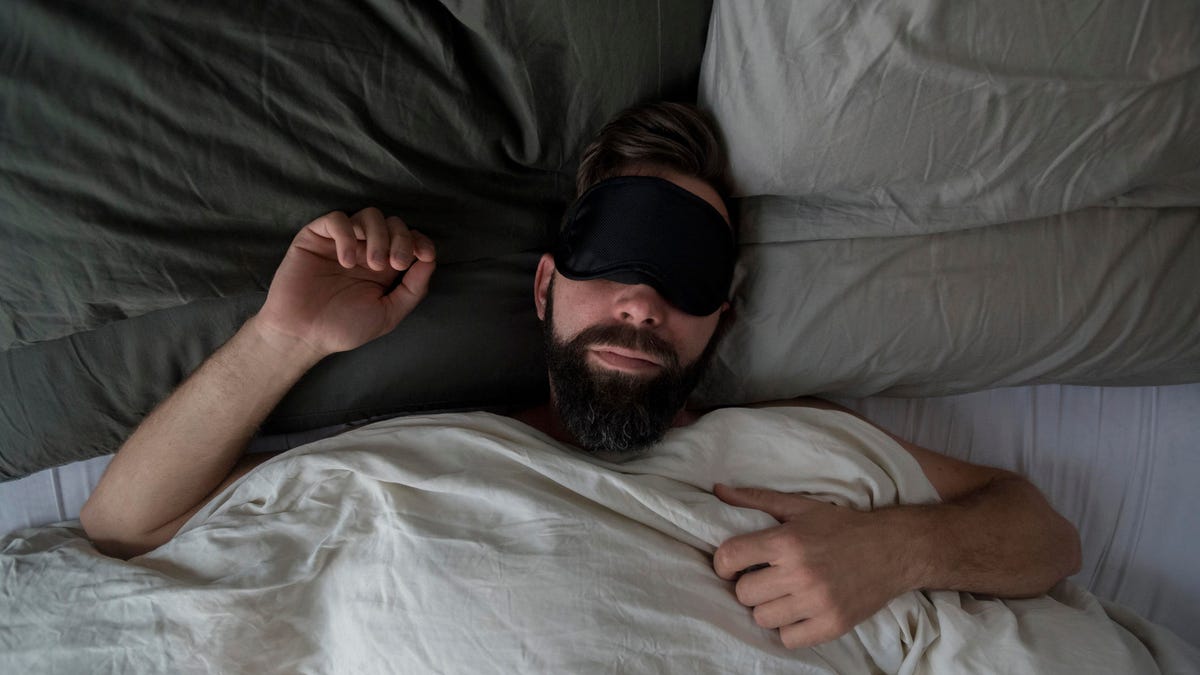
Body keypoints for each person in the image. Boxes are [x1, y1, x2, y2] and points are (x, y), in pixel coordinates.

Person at [80, 102, 1081, 650]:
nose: (643, 305)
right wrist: (283, 338)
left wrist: (896, 554)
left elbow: (1047, 538)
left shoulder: (792, 444)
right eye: (615, 265)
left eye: (685, 278)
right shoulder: (424, 456)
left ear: (718, 319)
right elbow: (124, 532)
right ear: (548, 284)